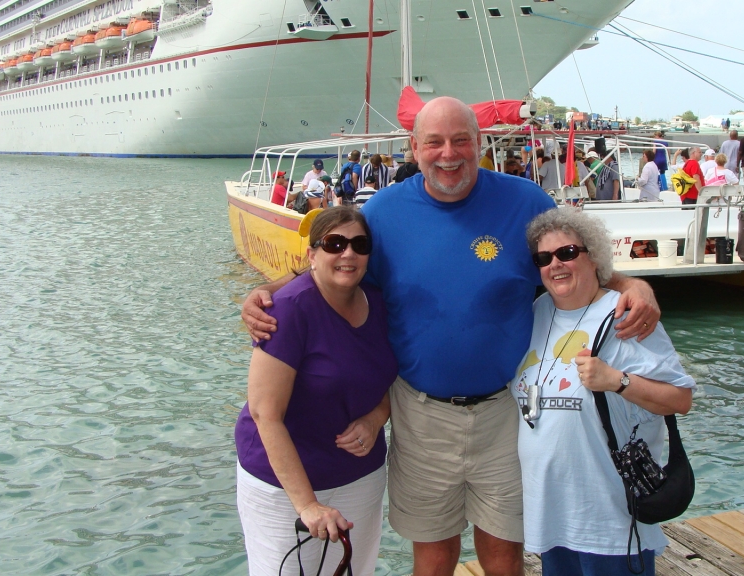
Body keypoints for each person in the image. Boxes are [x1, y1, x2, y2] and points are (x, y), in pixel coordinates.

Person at [241, 96, 661, 576]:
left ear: (478, 143)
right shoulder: (381, 214)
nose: (449, 154)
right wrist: (266, 290)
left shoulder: (527, 202)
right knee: (434, 556)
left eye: (461, 140)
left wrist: (632, 284)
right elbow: (336, 267)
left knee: (504, 553)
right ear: (413, 148)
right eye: (434, 142)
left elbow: (574, 263)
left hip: (508, 411)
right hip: (420, 416)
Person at [514, 207, 695, 575]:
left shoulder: (625, 314)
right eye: (543, 258)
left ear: (593, 256)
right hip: (552, 517)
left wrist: (617, 381)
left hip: (612, 522)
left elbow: (680, 399)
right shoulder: (537, 311)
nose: (555, 265)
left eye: (567, 253)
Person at [235, 206, 397, 576]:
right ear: (311, 254)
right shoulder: (289, 310)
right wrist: (307, 506)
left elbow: (393, 377)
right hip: (283, 487)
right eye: (335, 243)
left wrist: (375, 418)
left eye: (359, 244)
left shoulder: (380, 302)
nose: (348, 253)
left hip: (359, 474)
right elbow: (265, 413)